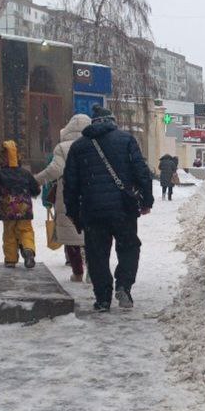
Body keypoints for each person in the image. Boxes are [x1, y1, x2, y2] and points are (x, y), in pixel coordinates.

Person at [63, 105, 154, 312]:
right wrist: (146, 201)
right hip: (123, 209)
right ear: (112, 122)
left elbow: (70, 184)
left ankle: (103, 298)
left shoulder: (79, 147)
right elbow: (142, 172)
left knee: (97, 255)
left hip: (93, 211)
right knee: (129, 247)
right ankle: (123, 286)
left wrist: (73, 213)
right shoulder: (127, 140)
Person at [35, 113, 91, 282]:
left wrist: (36, 180)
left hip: (68, 194)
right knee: (92, 236)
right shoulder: (94, 144)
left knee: (71, 236)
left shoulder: (62, 147)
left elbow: (55, 170)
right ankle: (93, 271)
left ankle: (78, 272)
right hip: (91, 194)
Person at [0, 140, 41, 269]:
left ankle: (10, 259)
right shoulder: (25, 173)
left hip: (8, 210)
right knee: (26, 231)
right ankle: (28, 250)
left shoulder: (0, 175)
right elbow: (36, 189)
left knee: (9, 235)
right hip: (24, 210)